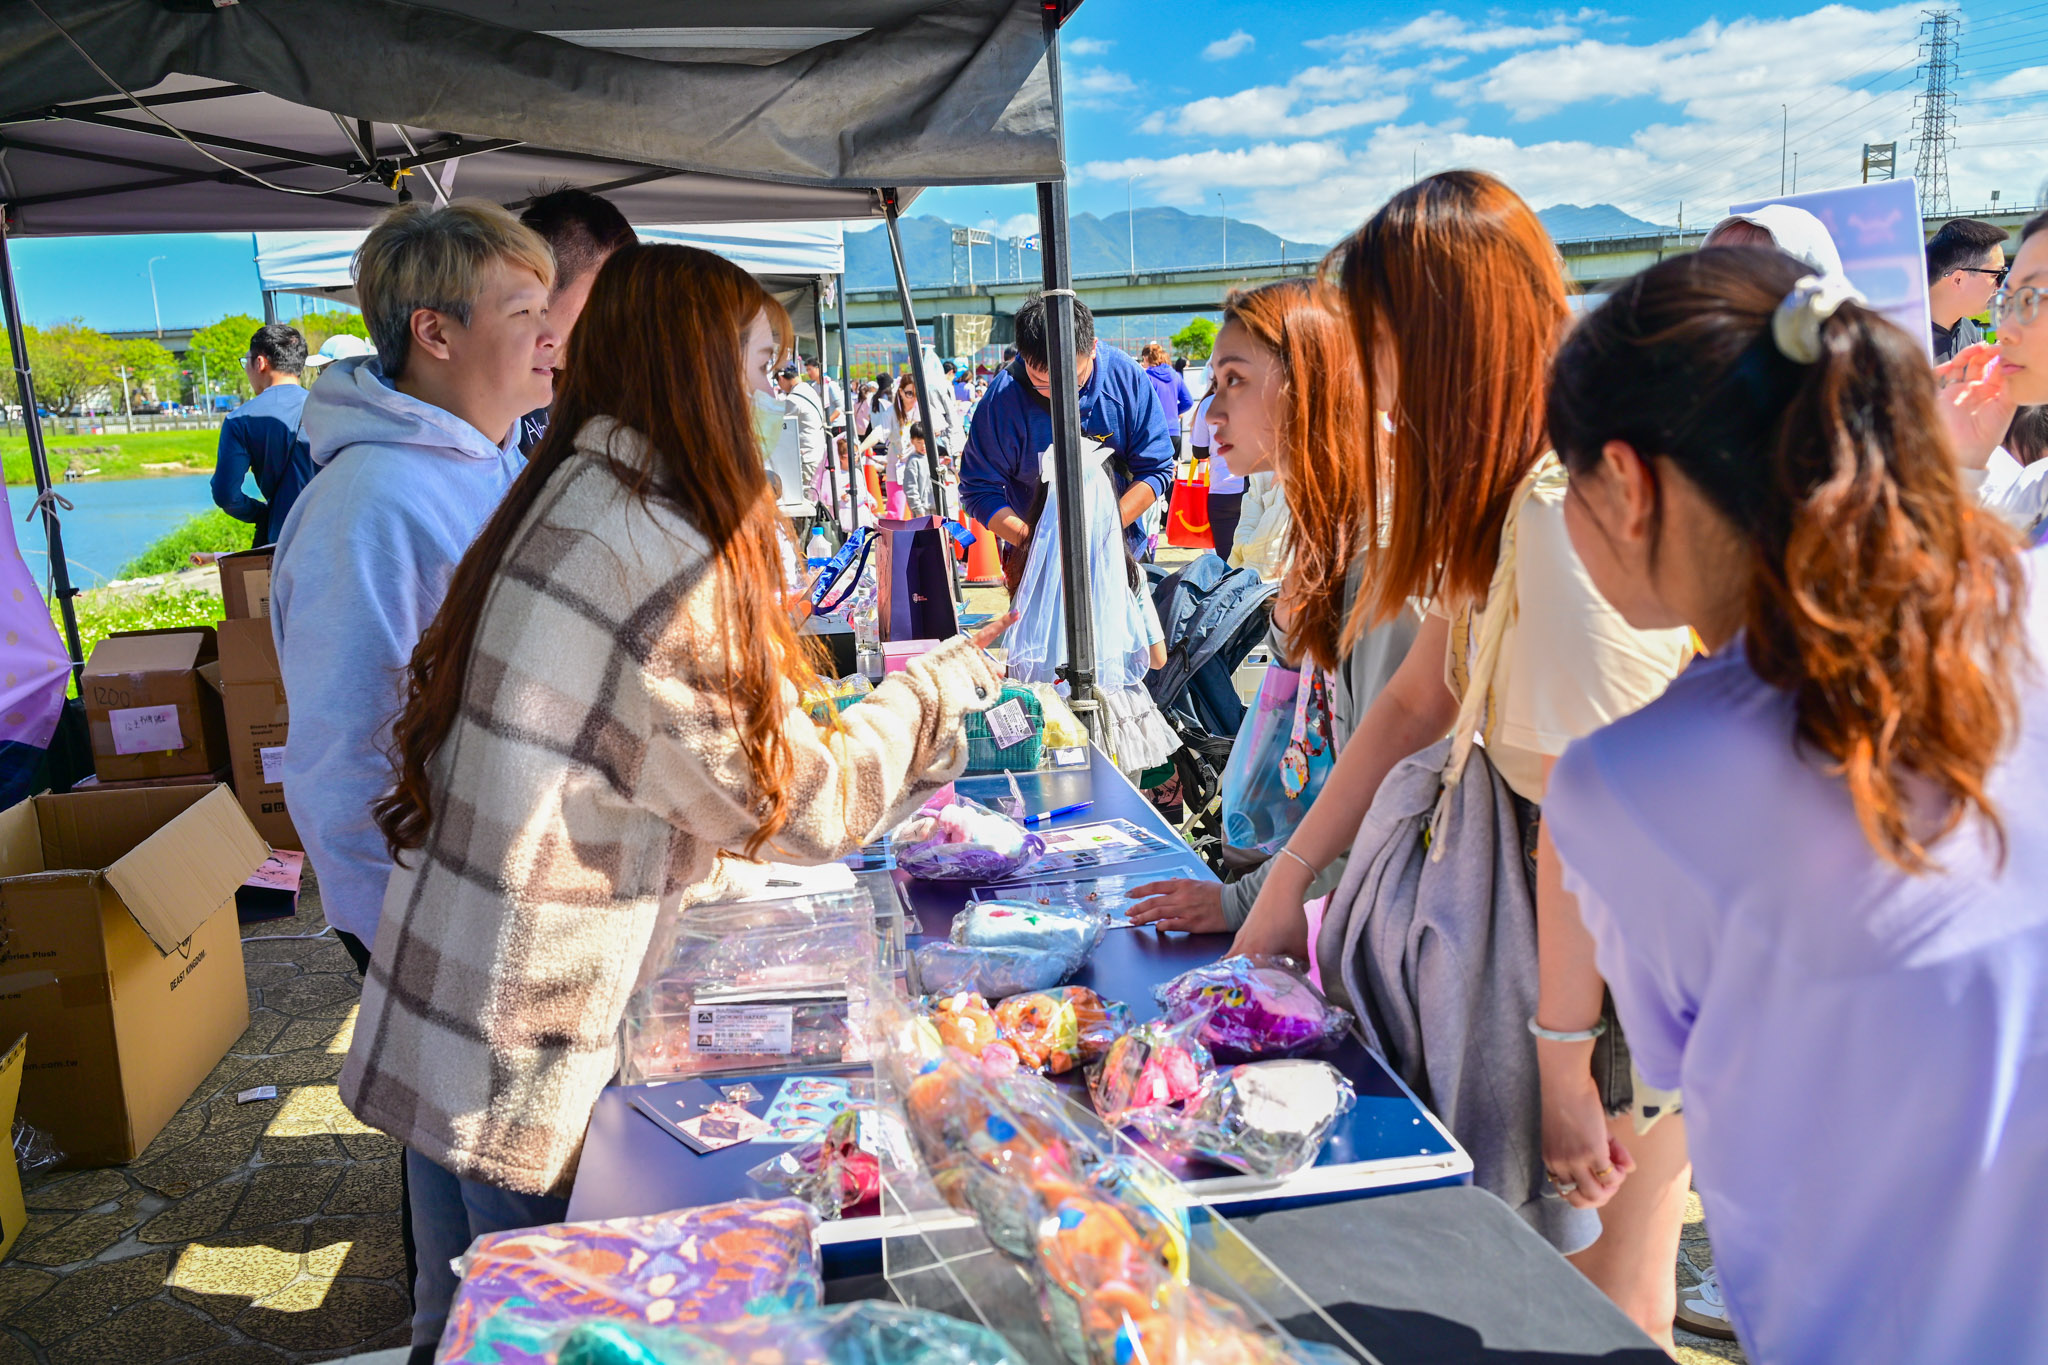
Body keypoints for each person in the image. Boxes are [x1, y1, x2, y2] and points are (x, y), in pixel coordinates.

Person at [345, 242, 1010, 1353]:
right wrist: (929, 695)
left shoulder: (575, 487)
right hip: (527, 1035)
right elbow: (803, 805)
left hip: (462, 1005)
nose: (770, 400)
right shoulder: (652, 547)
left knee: (459, 1324)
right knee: (543, 1330)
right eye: (758, 368)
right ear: (695, 371)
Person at [1543, 244, 2046, 1365]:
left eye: (1565, 484)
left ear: (1625, 482)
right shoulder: (2024, 607)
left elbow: (1679, 1050)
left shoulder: (1627, 784)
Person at [1230, 172, 1695, 1344]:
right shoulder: (1496, 504)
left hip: (1622, 978)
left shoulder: (1556, 516)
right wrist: (1286, 881)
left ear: (1444, 343)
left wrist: (1559, 1064)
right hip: (1556, 958)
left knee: (1603, 1311)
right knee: (1559, 1297)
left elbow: (1597, 814)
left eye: (1380, 343)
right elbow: (1413, 700)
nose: (1371, 382)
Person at [272, 199, 558, 977]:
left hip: (519, 883)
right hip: (442, 921)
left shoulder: (499, 461)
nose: (551, 335)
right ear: (435, 333)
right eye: (524, 313)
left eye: (547, 310)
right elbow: (349, 757)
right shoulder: (368, 506)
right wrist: (404, 936)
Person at [1127, 279, 1418, 932]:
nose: (1211, 412)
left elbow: (1382, 793)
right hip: (1302, 911)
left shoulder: (1381, 551)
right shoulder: (1321, 535)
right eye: (1213, 383)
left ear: (1308, 386)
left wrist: (1241, 903)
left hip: (1350, 931)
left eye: (1235, 380)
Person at [960, 295, 1174, 578]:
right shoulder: (1002, 399)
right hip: (1035, 563)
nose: (1058, 394)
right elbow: (978, 489)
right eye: (1040, 382)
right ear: (1022, 357)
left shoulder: (1125, 378)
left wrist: (1104, 532)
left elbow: (1157, 468)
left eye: (1073, 380)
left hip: (1119, 551)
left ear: (1093, 348)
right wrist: (1036, 544)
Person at [1935, 212, 2048, 532]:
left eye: (2030, 299)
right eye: (2007, 303)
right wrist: (1966, 463)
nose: (2004, 331)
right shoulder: (2031, 490)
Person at [514, 186, 638, 452]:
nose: (607, 322)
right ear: (543, 276)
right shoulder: (479, 382)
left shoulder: (566, 388)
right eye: (601, 298)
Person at [211, 322, 313, 547]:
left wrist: (263, 513)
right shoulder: (330, 407)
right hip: (340, 535)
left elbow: (225, 495)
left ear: (260, 363)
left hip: (284, 542)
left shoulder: (240, 420)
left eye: (246, 361)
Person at [1925, 217, 2009, 363]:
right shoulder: (1901, 341)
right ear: (1958, 279)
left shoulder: (1969, 332)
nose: (1999, 286)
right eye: (1997, 275)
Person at [1188, 390, 1246, 559]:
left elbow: (1199, 452)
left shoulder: (1208, 404)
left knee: (1227, 561)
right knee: (1257, 560)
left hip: (1222, 490)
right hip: (1255, 489)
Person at [776, 359, 829, 513]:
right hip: (817, 451)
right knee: (814, 497)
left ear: (781, 378)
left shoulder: (794, 399)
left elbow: (777, 423)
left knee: (806, 502)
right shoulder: (809, 390)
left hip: (807, 456)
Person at [1139, 341, 1195, 457]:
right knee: (1172, 467)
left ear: (1146, 358)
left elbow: (1139, 405)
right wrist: (1175, 411)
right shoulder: (1176, 376)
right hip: (1174, 432)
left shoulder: (1147, 377)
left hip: (1154, 433)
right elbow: (1188, 401)